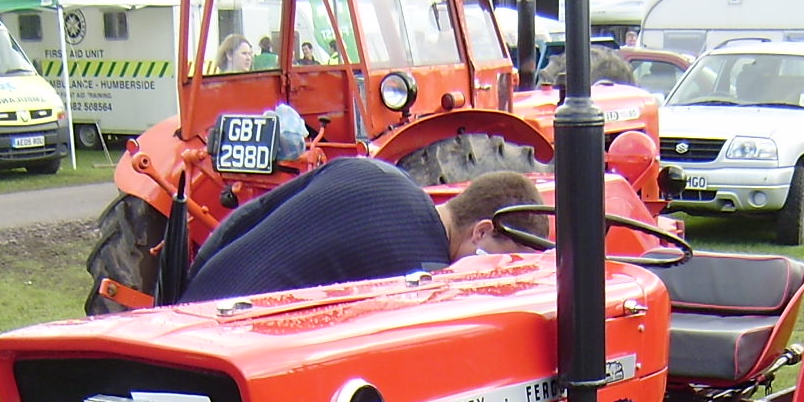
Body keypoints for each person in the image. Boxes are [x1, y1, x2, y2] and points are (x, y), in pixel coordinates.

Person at [179, 157, 544, 305]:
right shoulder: (419, 271)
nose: (493, 275)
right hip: (223, 354)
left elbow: (248, 216)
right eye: (501, 264)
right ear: (480, 232)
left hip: (188, 305)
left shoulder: (376, 172)